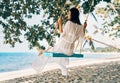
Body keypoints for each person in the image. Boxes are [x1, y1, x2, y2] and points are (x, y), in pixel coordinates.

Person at [32, 7, 87, 76]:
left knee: (49, 51)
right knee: (58, 58)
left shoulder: (69, 23)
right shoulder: (80, 26)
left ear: (73, 15)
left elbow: (62, 34)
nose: (68, 14)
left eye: (69, 13)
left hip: (62, 47)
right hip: (70, 51)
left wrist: (60, 23)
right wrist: (84, 28)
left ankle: (42, 53)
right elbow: (81, 39)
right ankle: (64, 71)